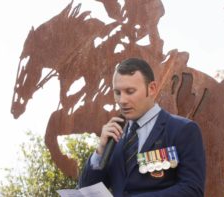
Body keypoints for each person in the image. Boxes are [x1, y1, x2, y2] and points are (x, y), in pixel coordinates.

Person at [78, 58, 206, 196]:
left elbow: (192, 190)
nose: (122, 100)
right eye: (117, 93)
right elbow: (86, 191)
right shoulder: (114, 138)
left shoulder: (182, 130)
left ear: (151, 89)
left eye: (130, 91)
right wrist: (100, 151)